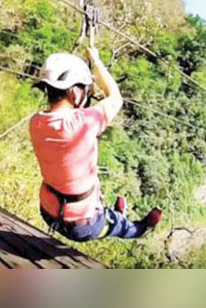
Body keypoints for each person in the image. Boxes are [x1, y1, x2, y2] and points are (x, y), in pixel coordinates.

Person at [29, 48, 161, 243]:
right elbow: (115, 97)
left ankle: (112, 213)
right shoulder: (83, 121)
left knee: (94, 201)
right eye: (85, 89)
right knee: (120, 226)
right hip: (83, 225)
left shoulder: (36, 122)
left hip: (48, 212)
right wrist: (96, 61)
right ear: (74, 92)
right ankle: (139, 228)